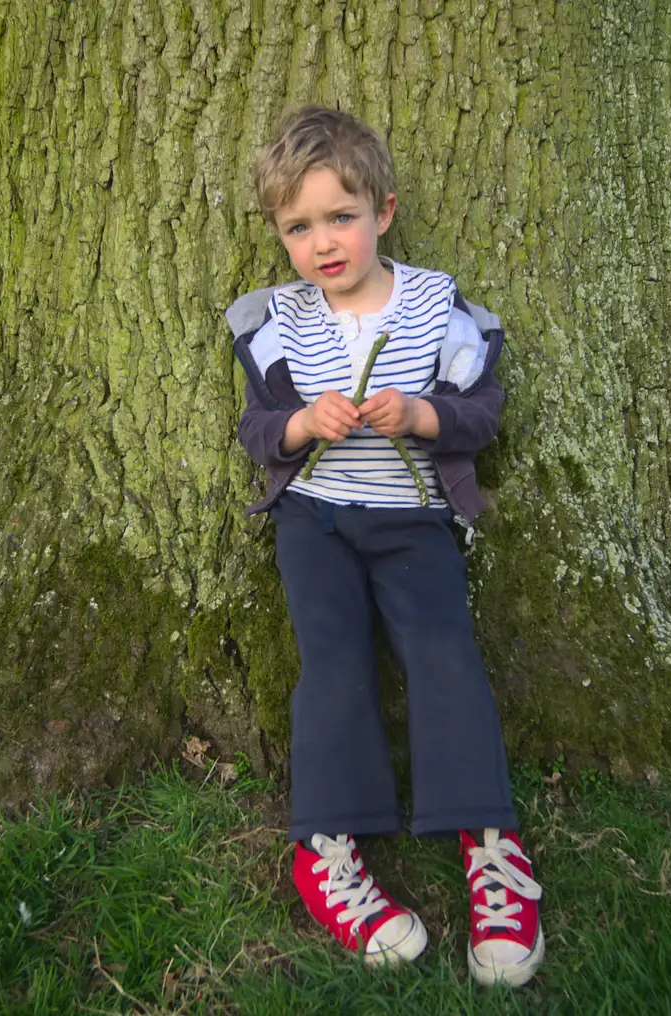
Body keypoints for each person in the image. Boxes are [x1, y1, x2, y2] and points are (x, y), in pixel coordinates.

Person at [224, 106, 543, 988]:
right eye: (298, 226)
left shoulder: (439, 308)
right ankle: (327, 851)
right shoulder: (275, 323)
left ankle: (491, 847)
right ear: (279, 234)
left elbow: (484, 413)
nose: (323, 243)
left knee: (444, 657)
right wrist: (298, 426)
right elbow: (255, 430)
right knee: (332, 669)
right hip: (315, 522)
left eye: (341, 217)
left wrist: (422, 414)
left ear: (384, 212)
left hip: (412, 518)